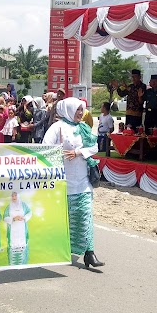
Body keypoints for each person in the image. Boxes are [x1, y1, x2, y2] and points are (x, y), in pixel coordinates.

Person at [42, 97, 104, 268]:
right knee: (65, 219)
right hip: (63, 183)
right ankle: (57, 248)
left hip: (83, 182)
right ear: (68, 109)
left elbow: (94, 147)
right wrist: (58, 152)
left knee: (86, 215)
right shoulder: (57, 127)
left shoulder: (83, 127)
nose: (80, 113)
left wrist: (78, 152)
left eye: (81, 110)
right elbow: (45, 148)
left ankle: (89, 253)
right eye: (77, 110)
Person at [4, 192, 32, 266]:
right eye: (12, 196)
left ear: (18, 196)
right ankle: (12, 265)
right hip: (13, 231)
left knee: (22, 248)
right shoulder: (9, 207)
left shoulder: (24, 205)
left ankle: (23, 266)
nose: (14, 197)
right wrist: (13, 219)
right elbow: (5, 218)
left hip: (22, 230)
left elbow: (29, 212)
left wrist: (24, 218)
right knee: (13, 248)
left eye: (15, 195)